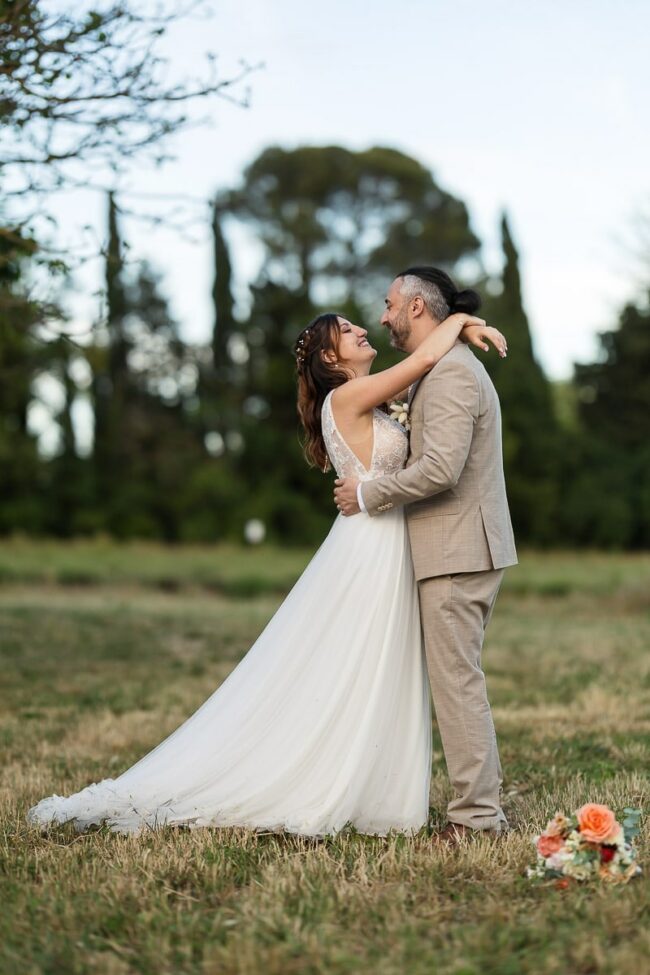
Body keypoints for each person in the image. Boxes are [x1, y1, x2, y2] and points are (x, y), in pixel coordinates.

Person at [27, 307, 506, 837]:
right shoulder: (345, 398)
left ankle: (378, 788)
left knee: (381, 667)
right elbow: (424, 357)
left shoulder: (372, 400)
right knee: (352, 665)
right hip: (372, 546)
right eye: (346, 331)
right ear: (330, 357)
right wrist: (461, 317)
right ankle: (319, 780)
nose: (362, 329)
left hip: (393, 540)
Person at [334, 267, 518, 843]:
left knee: (457, 683)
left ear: (416, 307)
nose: (382, 316)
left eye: (389, 304)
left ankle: (477, 819)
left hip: (458, 549)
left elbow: (440, 469)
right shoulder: (440, 368)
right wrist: (461, 325)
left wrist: (367, 493)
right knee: (453, 680)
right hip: (451, 547)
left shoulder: (453, 376)